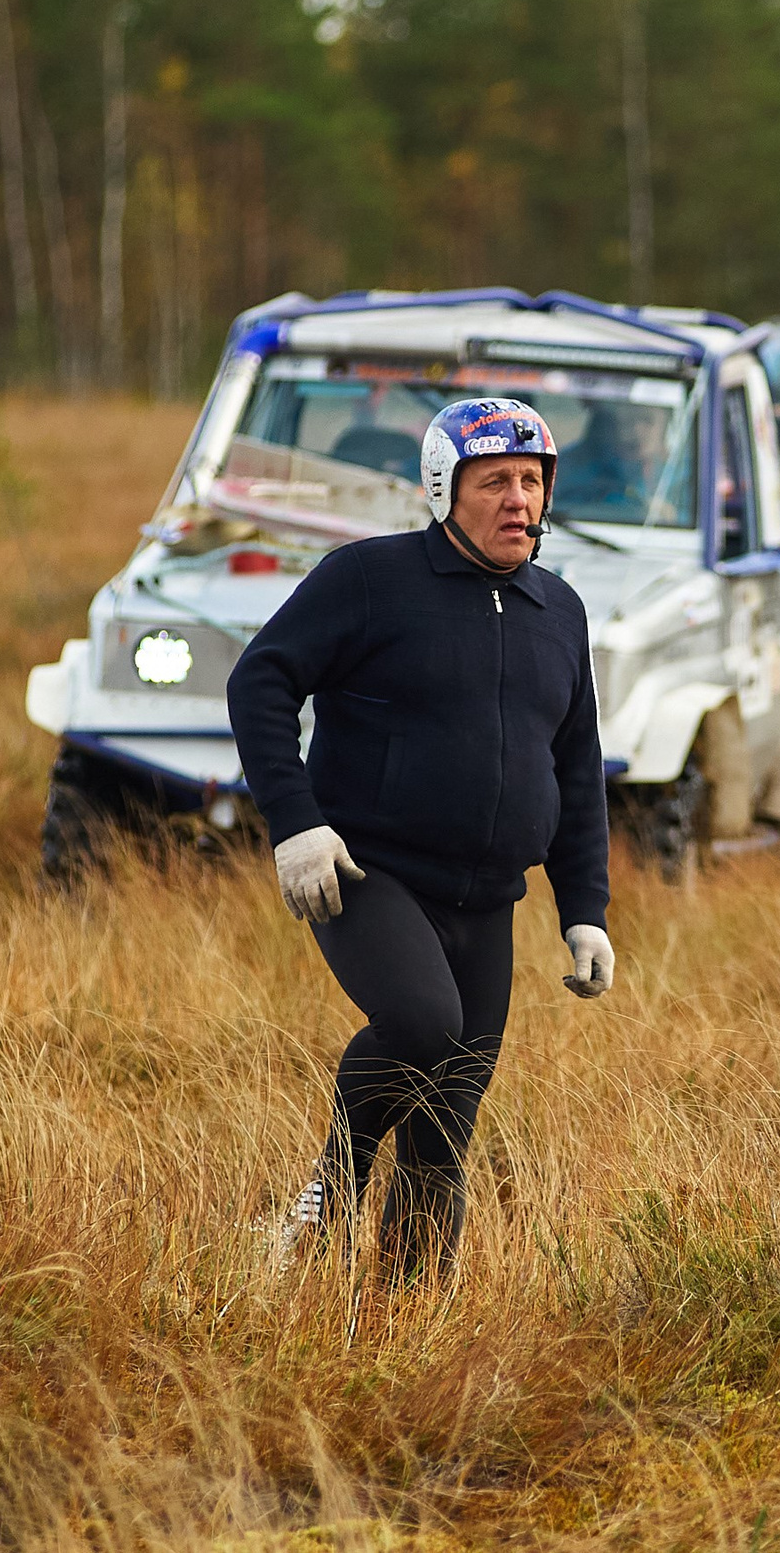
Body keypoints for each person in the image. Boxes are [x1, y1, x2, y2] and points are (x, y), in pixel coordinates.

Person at [228, 397, 616, 1279]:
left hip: (489, 901)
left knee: (446, 1122)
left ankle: (407, 1324)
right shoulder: (367, 579)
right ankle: (325, 1198)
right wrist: (296, 823)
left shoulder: (561, 610)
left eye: (532, 480)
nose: (520, 500)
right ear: (445, 490)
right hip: (368, 873)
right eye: (496, 482)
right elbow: (261, 682)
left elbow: (576, 764)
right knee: (420, 1024)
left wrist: (583, 909)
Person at [553, 403, 666, 518]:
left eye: (648, 421)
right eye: (628, 421)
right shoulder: (575, 465)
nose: (637, 430)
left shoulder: (677, 470)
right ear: (612, 425)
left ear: (664, 426)